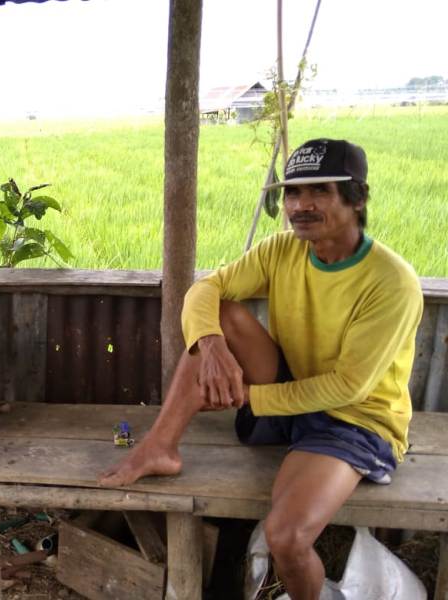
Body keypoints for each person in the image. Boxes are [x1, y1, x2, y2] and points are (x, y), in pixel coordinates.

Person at [98, 139, 423, 600]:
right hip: (292, 391)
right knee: (223, 314)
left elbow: (349, 386)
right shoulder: (281, 250)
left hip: (354, 420)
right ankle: (159, 447)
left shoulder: (391, 281)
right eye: (292, 193)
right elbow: (206, 288)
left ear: (359, 198)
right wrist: (209, 346)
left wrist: (249, 397)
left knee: (286, 538)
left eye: (319, 192)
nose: (301, 206)